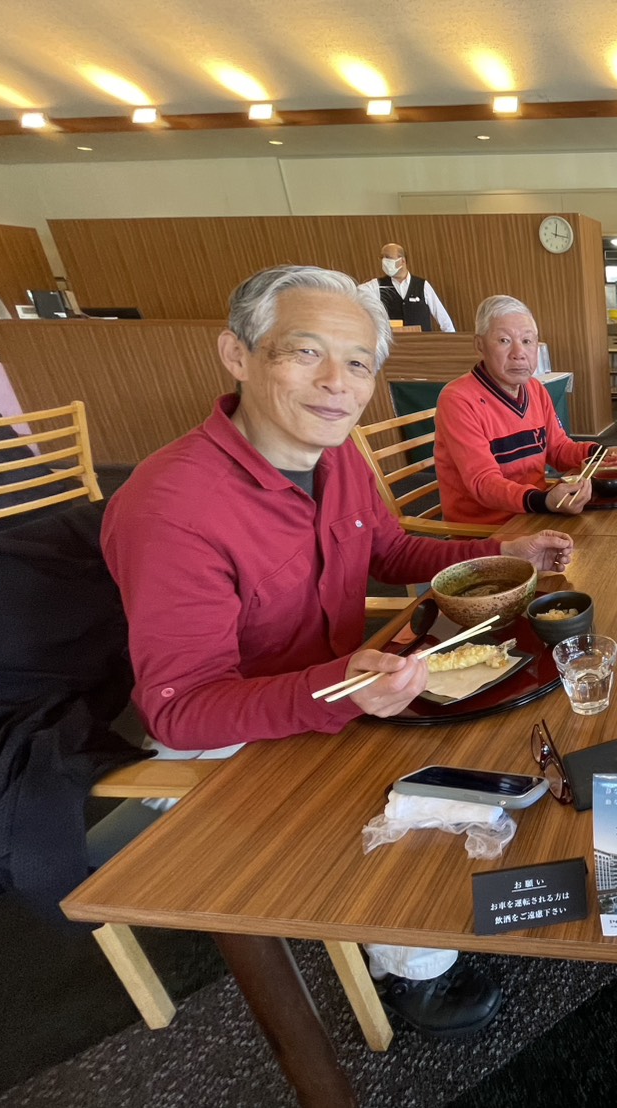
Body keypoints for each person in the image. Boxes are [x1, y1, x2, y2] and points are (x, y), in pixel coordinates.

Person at [101, 265, 575, 1038]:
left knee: (502, 735)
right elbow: (180, 709)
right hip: (228, 740)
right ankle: (404, 961)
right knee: (416, 791)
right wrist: (338, 690)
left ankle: (422, 901)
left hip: (341, 683)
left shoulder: (336, 454)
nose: (337, 383)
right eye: (305, 352)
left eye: (357, 363)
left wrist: (502, 551)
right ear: (237, 354)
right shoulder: (170, 505)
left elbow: (388, 550)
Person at [435, 294, 603, 525]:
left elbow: (558, 450)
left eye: (527, 341)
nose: (519, 353)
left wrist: (604, 454)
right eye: (504, 340)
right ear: (479, 345)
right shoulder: (458, 399)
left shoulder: (535, 389)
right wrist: (543, 501)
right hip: (488, 529)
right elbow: (483, 482)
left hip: (533, 513)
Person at [359, 242, 455, 332]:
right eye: (382, 257)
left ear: (402, 261)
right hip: (394, 342)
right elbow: (355, 292)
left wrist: (452, 339)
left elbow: (442, 317)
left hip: (421, 342)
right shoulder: (376, 286)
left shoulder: (422, 285)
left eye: (388, 257)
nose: (384, 261)